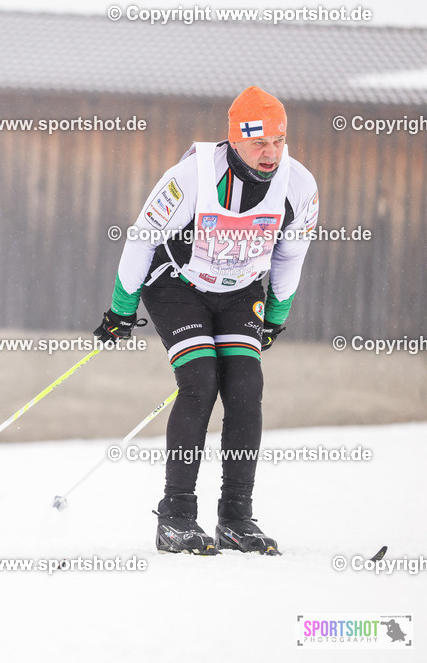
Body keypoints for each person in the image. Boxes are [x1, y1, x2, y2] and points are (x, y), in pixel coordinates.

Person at [95, 86, 319, 556]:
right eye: (259, 143)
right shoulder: (190, 177)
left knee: (245, 386)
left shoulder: (299, 186)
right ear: (235, 140)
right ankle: (176, 516)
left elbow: (290, 254)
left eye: (278, 141)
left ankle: (236, 518)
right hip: (178, 284)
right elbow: (140, 240)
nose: (270, 153)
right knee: (199, 381)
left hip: (240, 289)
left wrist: (276, 316)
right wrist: (120, 309)